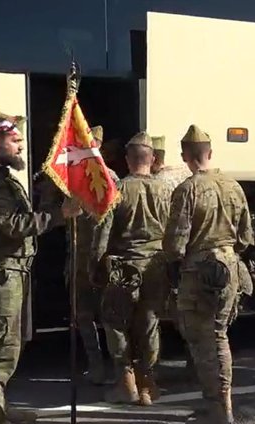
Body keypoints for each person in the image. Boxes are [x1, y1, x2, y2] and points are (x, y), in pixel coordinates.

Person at [0, 108, 82, 424]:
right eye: (15, 140)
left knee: (10, 345)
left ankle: (0, 408)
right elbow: (15, 225)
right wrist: (61, 214)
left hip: (11, 270)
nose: (20, 147)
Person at [163, 124, 254, 424]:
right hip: (229, 266)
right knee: (218, 335)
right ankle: (220, 407)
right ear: (210, 153)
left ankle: (219, 414)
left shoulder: (187, 189)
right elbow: (245, 237)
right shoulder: (233, 186)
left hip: (200, 271)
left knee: (208, 341)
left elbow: (175, 244)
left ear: (185, 156)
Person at [90, 131, 172, 406]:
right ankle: (148, 384)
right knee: (149, 324)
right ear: (153, 159)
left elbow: (102, 236)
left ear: (127, 160)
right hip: (156, 266)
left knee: (115, 323)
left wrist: (96, 266)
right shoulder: (167, 191)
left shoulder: (118, 191)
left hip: (124, 270)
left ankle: (125, 381)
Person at [35, 125, 119, 386]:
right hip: (94, 259)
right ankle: (108, 367)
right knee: (96, 317)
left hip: (93, 259)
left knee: (96, 316)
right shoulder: (99, 178)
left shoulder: (96, 178)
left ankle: (107, 368)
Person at [150, 134, 196, 377]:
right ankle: (193, 358)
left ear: (154, 158)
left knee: (156, 310)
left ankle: (152, 366)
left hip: (167, 251)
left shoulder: (159, 182)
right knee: (187, 311)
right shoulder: (185, 175)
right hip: (191, 252)